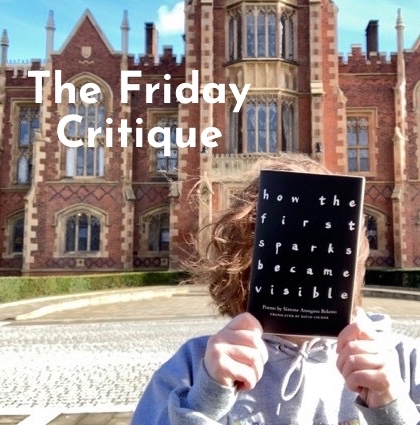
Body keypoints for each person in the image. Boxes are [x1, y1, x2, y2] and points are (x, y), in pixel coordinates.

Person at [131, 153, 420, 425]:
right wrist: (205, 400)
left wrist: (391, 407)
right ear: (241, 262)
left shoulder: (403, 360)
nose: (305, 260)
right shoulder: (195, 365)